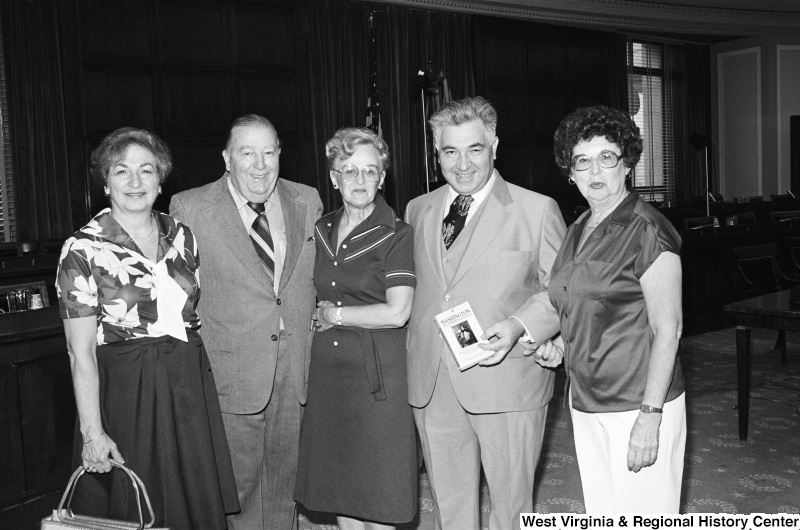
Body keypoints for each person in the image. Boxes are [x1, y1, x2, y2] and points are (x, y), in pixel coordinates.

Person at [56, 127, 239, 528]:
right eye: (121, 171)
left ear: (161, 180)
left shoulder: (183, 236)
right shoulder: (83, 249)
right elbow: (80, 353)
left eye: (146, 170)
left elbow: (189, 313)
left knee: (193, 506)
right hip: (128, 393)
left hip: (187, 386)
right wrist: (93, 434)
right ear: (106, 183)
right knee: (138, 506)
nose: (135, 182)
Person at [404, 96, 566, 530]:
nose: (461, 164)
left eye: (474, 149)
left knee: (510, 507)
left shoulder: (537, 210)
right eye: (449, 151)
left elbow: (562, 292)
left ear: (494, 145)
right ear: (435, 152)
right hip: (434, 380)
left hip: (507, 380)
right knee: (447, 505)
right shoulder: (417, 210)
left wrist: (519, 326)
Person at [170, 114, 323, 529]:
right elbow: (176, 297)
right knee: (237, 491)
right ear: (226, 158)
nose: (260, 165)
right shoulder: (191, 207)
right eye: (247, 153)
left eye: (269, 152)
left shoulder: (306, 200)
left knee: (287, 485)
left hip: (295, 370)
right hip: (230, 369)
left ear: (280, 155)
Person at [533, 105, 686, 513]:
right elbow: (583, 306)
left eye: (607, 158)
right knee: (603, 514)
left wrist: (650, 416)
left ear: (627, 163)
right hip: (584, 400)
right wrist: (562, 348)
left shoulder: (648, 228)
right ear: (570, 171)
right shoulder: (576, 228)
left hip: (636, 402)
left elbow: (667, 330)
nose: (595, 172)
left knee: (644, 518)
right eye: (583, 161)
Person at [294, 127, 417, 529]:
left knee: (379, 492)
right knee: (342, 487)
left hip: (378, 376)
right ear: (334, 178)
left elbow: (397, 312)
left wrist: (335, 316)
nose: (360, 181)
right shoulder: (320, 229)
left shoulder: (396, 233)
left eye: (370, 171)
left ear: (383, 177)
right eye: (350, 171)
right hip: (329, 375)